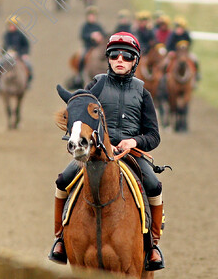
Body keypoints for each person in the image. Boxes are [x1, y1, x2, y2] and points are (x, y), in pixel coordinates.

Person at [50, 32, 166, 271]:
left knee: (154, 185)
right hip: (97, 151)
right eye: (115, 55)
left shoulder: (143, 93)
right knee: (63, 181)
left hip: (130, 155)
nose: (120, 59)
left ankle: (152, 244)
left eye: (126, 56)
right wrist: (98, 141)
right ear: (109, 59)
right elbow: (81, 110)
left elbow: (153, 136)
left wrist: (134, 142)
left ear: (135, 61)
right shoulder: (96, 85)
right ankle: (60, 238)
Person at [0, 15, 33, 90]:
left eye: (13, 25)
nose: (11, 27)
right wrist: (3, 54)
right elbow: (4, 46)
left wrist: (24, 54)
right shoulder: (6, 35)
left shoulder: (21, 35)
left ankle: (27, 83)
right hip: (8, 55)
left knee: (29, 66)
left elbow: (26, 45)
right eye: (10, 25)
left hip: (19, 55)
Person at [165, 17, 200, 82]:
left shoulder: (186, 34)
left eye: (180, 28)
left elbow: (190, 43)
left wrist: (186, 51)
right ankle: (165, 76)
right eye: (177, 27)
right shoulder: (173, 34)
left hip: (184, 53)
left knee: (195, 59)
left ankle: (196, 74)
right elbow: (168, 45)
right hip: (175, 53)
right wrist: (171, 51)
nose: (179, 29)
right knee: (166, 62)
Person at [77, 6, 105, 81]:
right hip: (88, 46)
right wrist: (91, 36)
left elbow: (104, 35)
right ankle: (79, 75)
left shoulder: (98, 26)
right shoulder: (85, 26)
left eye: (93, 16)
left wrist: (100, 37)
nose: (92, 17)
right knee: (82, 57)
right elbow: (82, 36)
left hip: (97, 47)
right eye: (90, 16)